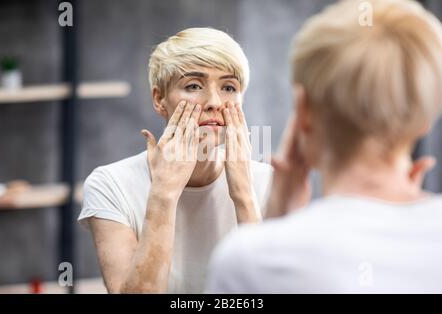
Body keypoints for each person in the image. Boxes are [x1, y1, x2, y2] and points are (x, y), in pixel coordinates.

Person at [206, 0, 442, 293]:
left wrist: (276, 224)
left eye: (228, 88)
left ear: (303, 111)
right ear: (425, 121)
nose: (213, 103)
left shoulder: (245, 262)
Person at [78, 27, 272, 293]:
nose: (214, 102)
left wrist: (244, 196)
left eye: (229, 87)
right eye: (193, 85)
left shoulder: (269, 182)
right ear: (160, 99)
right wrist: (163, 193)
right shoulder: (110, 184)